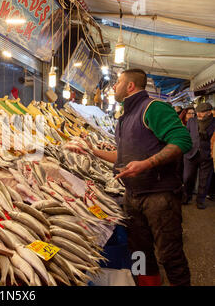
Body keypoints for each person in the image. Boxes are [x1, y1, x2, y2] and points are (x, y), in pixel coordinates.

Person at [70, 69, 192, 286]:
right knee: (139, 253)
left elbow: (182, 140)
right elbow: (123, 155)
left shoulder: (153, 108)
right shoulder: (125, 117)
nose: (114, 86)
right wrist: (92, 151)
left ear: (130, 86)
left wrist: (147, 164)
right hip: (132, 195)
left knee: (169, 254)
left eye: (118, 82)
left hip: (159, 195)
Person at [183, 102, 215, 209]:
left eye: (202, 112)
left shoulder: (214, 122)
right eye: (198, 112)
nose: (199, 114)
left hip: (207, 155)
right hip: (191, 153)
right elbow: (186, 135)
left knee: (204, 180)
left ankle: (200, 200)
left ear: (209, 113)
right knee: (187, 177)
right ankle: (187, 196)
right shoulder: (191, 121)